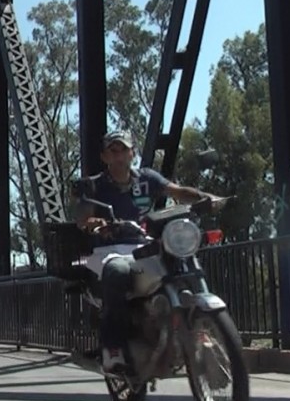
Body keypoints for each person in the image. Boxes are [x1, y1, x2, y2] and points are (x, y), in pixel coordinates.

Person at [71, 129, 222, 373]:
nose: (119, 155)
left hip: (145, 245)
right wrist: (93, 222)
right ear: (105, 156)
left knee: (181, 262)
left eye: (124, 150)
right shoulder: (95, 185)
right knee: (117, 272)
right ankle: (113, 349)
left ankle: (197, 331)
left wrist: (205, 197)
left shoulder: (147, 178)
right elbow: (82, 215)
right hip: (111, 249)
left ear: (133, 153)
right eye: (113, 150)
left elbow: (177, 191)